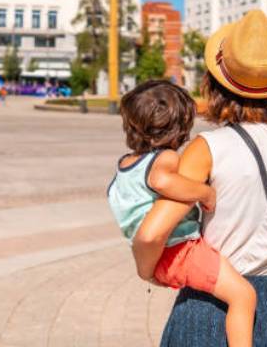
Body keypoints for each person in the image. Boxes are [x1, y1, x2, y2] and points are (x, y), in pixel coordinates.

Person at [133, 10, 267, 346]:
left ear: (219, 81)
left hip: (209, 308)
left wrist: (148, 270)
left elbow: (151, 234)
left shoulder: (209, 147)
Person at [108, 81, 257, 347]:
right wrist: (204, 193)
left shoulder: (125, 164)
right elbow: (162, 182)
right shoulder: (165, 158)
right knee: (243, 296)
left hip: (158, 259)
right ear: (181, 127)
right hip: (180, 252)